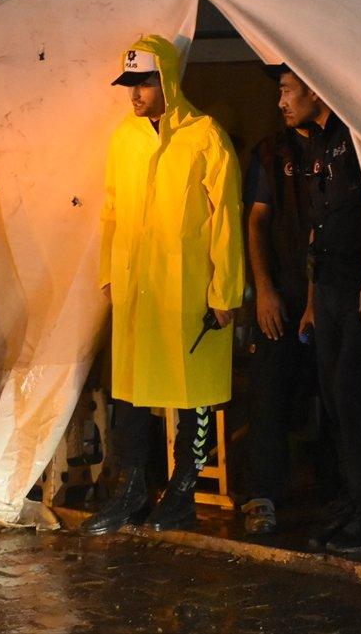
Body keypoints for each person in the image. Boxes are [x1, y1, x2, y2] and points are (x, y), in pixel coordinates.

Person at [82, 35, 244, 535]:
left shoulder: (204, 137)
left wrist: (225, 292)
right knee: (130, 392)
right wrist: (109, 273)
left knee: (193, 394)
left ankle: (182, 491)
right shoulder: (124, 139)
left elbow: (226, 217)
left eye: (145, 83)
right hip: (139, 290)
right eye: (129, 84)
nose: (135, 94)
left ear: (168, 81)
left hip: (191, 290)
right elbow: (111, 211)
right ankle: (132, 489)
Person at [291, 68, 361, 554]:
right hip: (329, 288)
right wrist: (311, 302)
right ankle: (352, 504)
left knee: (357, 399)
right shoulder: (316, 144)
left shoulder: (356, 134)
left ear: (314, 89)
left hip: (358, 287)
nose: (281, 102)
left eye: (287, 90)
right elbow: (317, 229)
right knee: (333, 399)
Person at [239, 64, 326, 536]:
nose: (281, 102)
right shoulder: (272, 151)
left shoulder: (340, 145)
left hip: (328, 292)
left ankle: (337, 500)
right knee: (268, 391)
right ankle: (263, 495)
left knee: (332, 396)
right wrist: (264, 290)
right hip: (282, 291)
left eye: (288, 91)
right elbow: (256, 220)